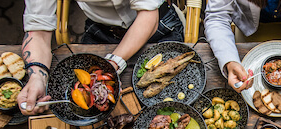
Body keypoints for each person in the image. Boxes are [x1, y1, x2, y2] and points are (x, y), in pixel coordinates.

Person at [19, 0, 184, 115]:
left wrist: (112, 65)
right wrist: (37, 77)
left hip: (158, 26)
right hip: (101, 31)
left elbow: (148, 17)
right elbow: (38, 30)